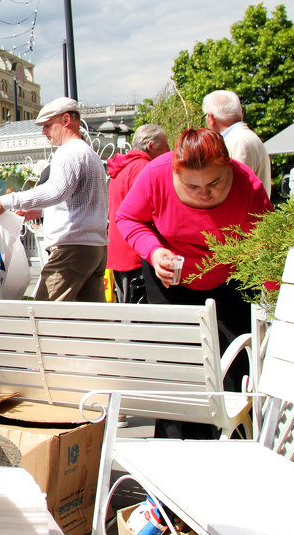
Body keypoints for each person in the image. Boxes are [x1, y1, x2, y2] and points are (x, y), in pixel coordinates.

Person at [116, 128, 272, 438]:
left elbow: (266, 245)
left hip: (229, 280)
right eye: (192, 185)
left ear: (228, 167)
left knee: (232, 369)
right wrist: (154, 250)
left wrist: (274, 302)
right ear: (175, 171)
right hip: (169, 280)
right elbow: (128, 218)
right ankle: (173, 444)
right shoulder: (155, 174)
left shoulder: (247, 186)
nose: (204, 193)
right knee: (177, 370)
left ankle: (230, 442)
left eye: (214, 183)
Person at [0, 97, 109, 302]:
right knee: (91, 319)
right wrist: (41, 212)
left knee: (44, 312)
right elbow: (79, 200)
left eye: (48, 126)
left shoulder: (69, 151)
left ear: (66, 119)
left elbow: (56, 190)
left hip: (73, 247)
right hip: (94, 247)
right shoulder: (89, 153)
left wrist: (6, 201)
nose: (44, 132)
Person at [105, 124, 169, 303]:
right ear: (151, 146)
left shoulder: (124, 166)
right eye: (165, 145)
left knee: (128, 306)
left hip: (120, 249)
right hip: (136, 251)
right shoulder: (143, 167)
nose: (169, 150)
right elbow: (151, 208)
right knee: (138, 311)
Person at [202, 89, 271, 198]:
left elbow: (234, 191)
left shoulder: (236, 142)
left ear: (211, 118)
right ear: (241, 112)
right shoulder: (247, 137)